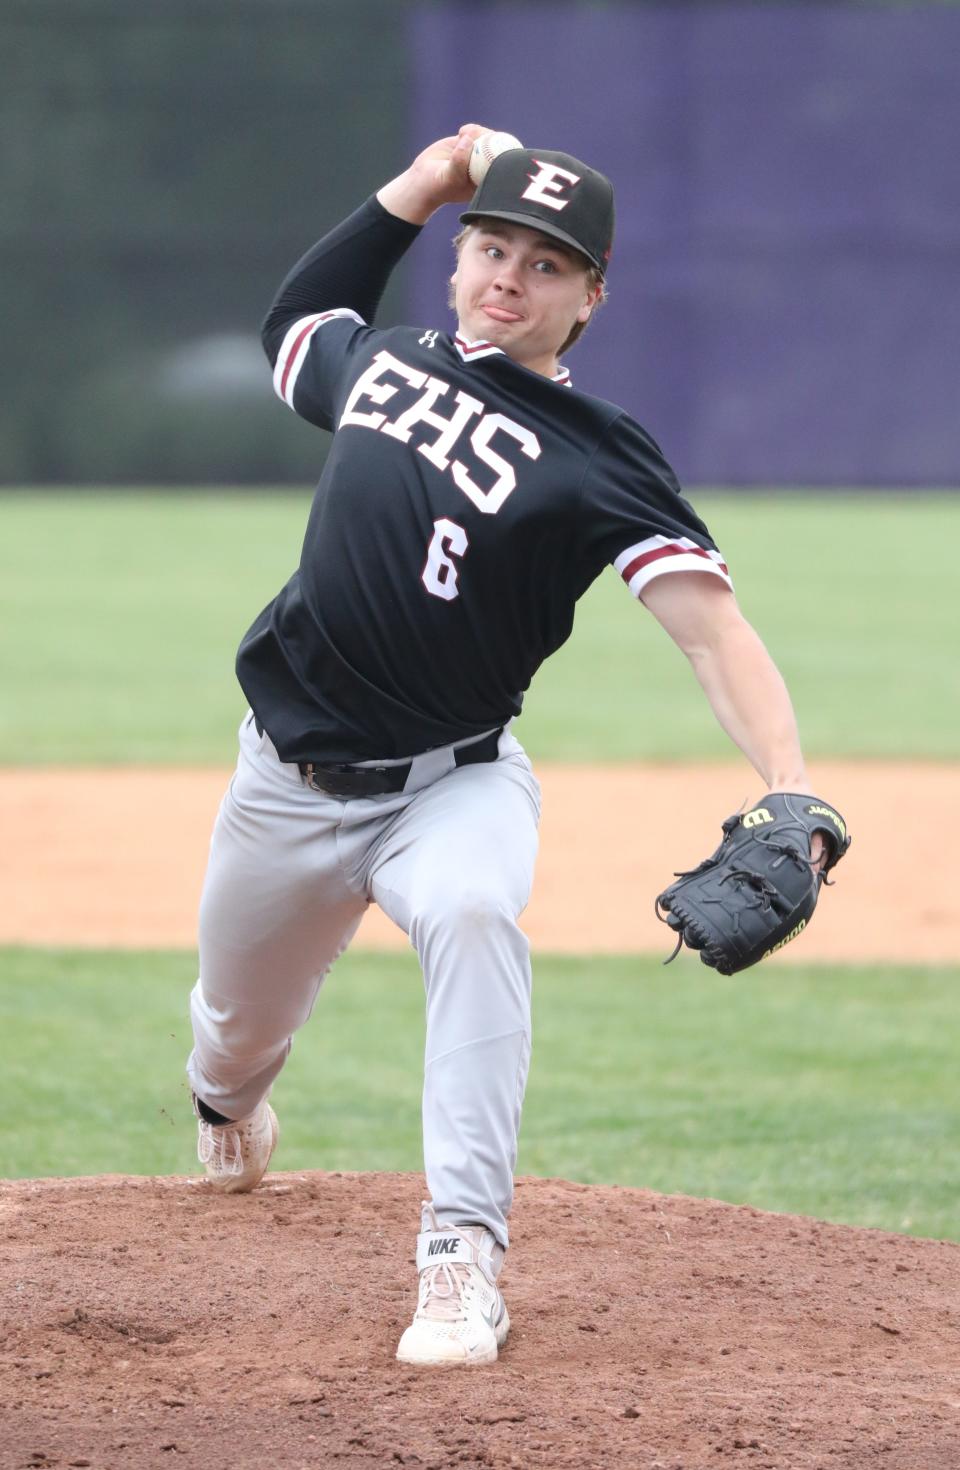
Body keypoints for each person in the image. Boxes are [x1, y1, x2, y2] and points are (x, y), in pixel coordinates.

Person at [186, 124, 824, 1368]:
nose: (507, 276)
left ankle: (461, 1256)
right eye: (490, 248)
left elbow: (710, 633)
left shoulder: (605, 457)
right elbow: (298, 321)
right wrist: (416, 189)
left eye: (544, 264)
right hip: (286, 777)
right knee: (228, 1033)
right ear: (457, 258)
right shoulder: (383, 364)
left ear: (589, 298)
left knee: (477, 919)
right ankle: (229, 1108)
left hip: (453, 786)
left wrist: (790, 787)